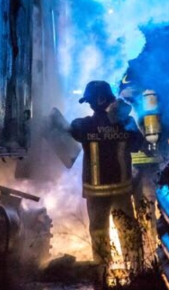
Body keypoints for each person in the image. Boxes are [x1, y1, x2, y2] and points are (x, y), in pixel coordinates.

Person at [69, 80, 144, 265]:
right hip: (122, 190)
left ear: (100, 100)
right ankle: (137, 271)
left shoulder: (86, 125)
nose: (90, 105)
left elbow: (72, 127)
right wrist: (123, 118)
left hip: (97, 193)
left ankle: (102, 275)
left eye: (91, 101)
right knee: (128, 231)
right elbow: (138, 144)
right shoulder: (127, 123)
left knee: (99, 233)